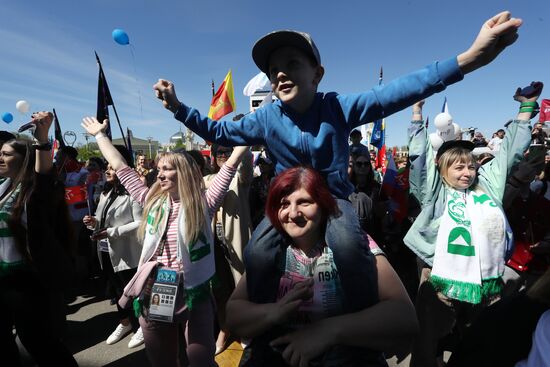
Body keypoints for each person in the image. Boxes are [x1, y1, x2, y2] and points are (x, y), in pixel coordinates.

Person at [154, 11, 523, 316]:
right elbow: (218, 131)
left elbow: (400, 90)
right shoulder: (264, 119)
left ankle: (360, 315)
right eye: (273, 70)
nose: (280, 73)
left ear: (317, 75)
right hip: (284, 203)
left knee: (348, 245)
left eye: (292, 64)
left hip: (335, 203)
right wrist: (178, 108)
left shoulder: (338, 107)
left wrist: (470, 58)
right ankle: (268, 317)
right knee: (255, 251)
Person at [81, 116, 249, 367]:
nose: (160, 174)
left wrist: (251, 127)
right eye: (159, 169)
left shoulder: (204, 202)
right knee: (162, 357)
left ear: (186, 172)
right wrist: (100, 136)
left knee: (200, 358)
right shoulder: (150, 200)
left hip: (195, 290)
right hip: (157, 286)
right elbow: (120, 165)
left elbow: (232, 162)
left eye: (167, 169)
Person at [404, 83, 542, 367]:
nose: (467, 173)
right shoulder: (434, 191)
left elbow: (509, 155)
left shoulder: (487, 186)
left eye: (470, 166)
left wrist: (526, 109)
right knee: (428, 347)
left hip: (486, 285)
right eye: (458, 167)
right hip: (441, 283)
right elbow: (418, 162)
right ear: (443, 170)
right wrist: (417, 113)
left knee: (481, 343)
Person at [226, 166, 418, 366]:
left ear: (323, 204)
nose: (293, 213)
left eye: (304, 202)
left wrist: (329, 331)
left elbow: (405, 317)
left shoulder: (355, 245)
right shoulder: (270, 251)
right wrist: (273, 311)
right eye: (284, 204)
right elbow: (234, 314)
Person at [0, 112, 77, 367]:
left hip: (27, 279)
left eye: (6, 154)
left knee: (38, 342)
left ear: (24, 160)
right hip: (2, 278)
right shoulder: (3, 187)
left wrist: (42, 138)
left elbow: (44, 174)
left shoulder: (36, 191)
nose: (0, 157)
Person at [83, 145, 144, 349]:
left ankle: (143, 326)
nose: (107, 170)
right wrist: (93, 222)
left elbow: (140, 223)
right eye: (107, 167)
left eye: (112, 166)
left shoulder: (134, 194)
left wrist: (112, 232)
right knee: (116, 291)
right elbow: (103, 220)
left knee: (134, 290)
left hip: (127, 253)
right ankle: (124, 323)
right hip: (105, 251)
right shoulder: (106, 192)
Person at [203, 144, 254, 354]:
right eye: (219, 153)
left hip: (237, 243)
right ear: (213, 158)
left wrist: (243, 144)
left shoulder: (239, 179)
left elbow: (246, 169)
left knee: (241, 288)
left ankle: (247, 331)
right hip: (214, 245)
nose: (223, 156)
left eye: (227, 152)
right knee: (220, 291)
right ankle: (224, 330)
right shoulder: (205, 181)